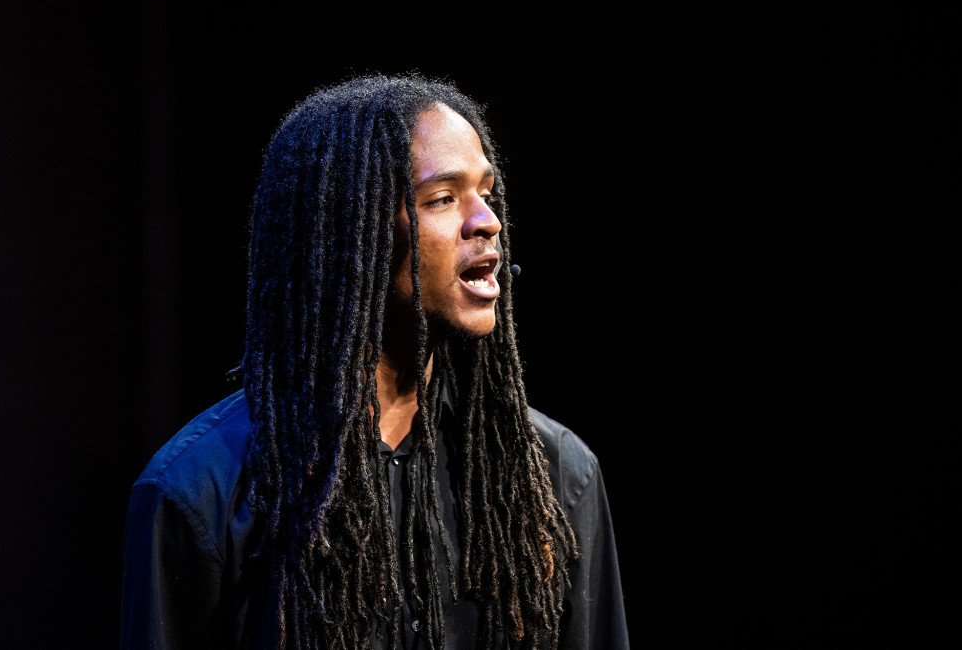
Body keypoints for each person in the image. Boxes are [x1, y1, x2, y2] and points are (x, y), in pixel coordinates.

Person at [119, 72, 629, 650]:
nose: (487, 220)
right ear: (346, 233)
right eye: (442, 198)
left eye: (486, 192)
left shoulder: (555, 477)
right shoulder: (198, 493)